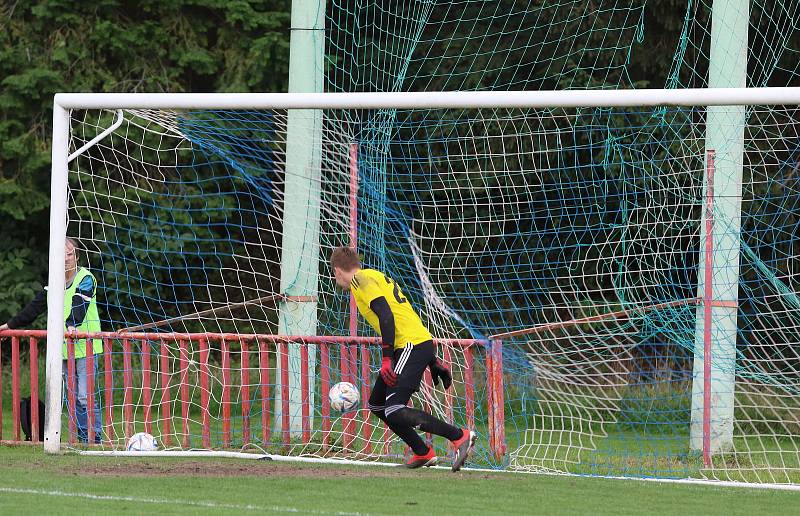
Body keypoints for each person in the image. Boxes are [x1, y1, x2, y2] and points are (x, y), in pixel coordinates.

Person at [330, 246, 476, 471]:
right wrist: (432, 361)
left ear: (338, 270)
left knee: (394, 409)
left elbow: (387, 316)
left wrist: (387, 359)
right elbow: (404, 315)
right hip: (414, 344)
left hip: (409, 345)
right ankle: (423, 452)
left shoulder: (360, 281)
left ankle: (459, 436)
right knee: (378, 404)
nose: (335, 278)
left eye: (334, 273)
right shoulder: (373, 276)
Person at [0, 238, 102, 443]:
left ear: (77, 256)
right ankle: (82, 438)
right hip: (64, 348)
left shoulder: (86, 278)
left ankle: (94, 437)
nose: (65, 259)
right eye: (61, 254)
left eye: (70, 254)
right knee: (72, 397)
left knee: (84, 396)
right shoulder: (54, 281)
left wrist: (72, 324)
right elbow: (35, 307)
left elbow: (79, 303)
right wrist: (9, 325)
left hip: (86, 346)